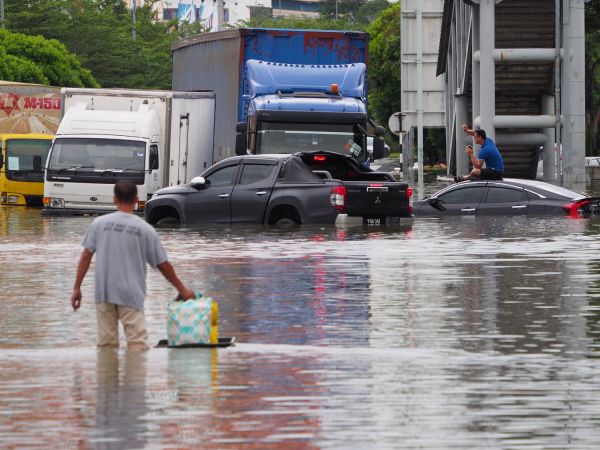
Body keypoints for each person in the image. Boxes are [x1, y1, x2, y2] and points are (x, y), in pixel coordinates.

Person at [71, 179, 194, 350]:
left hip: (104, 293)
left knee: (106, 347)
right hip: (131, 295)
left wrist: (77, 288)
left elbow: (86, 256)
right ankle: (135, 375)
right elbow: (163, 265)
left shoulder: (99, 224)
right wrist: (182, 289)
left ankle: (107, 375)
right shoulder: (145, 230)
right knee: (137, 345)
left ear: (114, 199)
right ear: (136, 200)